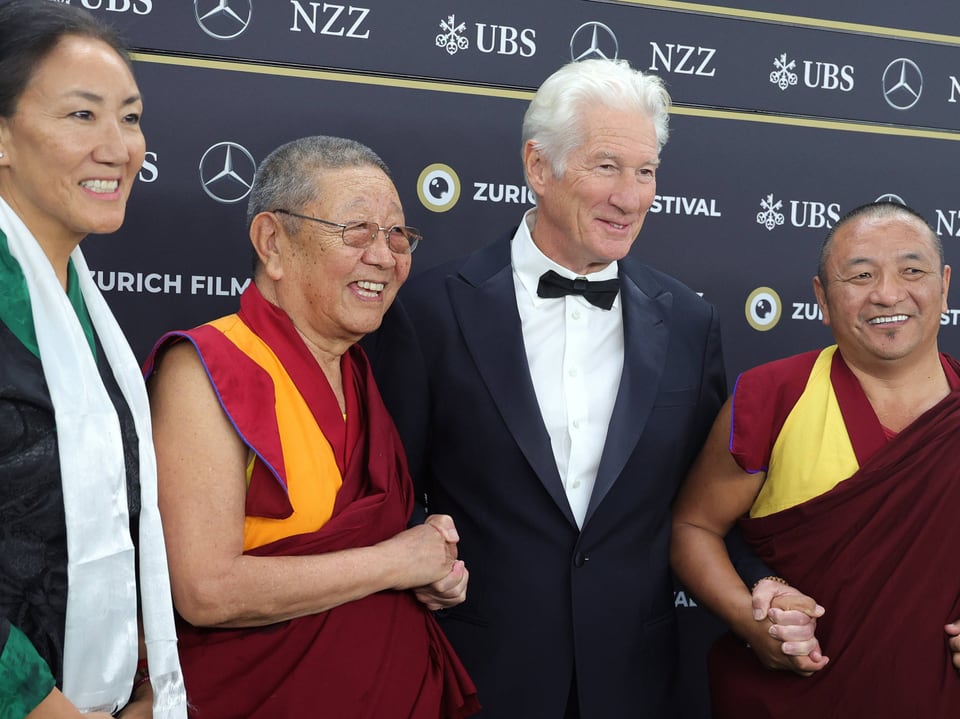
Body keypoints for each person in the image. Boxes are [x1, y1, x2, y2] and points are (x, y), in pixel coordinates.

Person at [364, 58, 815, 719]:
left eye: (645, 171)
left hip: (637, 681)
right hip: (475, 676)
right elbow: (382, 485)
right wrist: (420, 553)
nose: (629, 196)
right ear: (538, 166)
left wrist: (762, 587)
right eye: (607, 165)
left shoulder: (689, 323)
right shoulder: (429, 310)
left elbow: (706, 505)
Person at [145, 136, 480, 719]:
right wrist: (396, 563)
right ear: (273, 242)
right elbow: (206, 591)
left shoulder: (360, 374)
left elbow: (359, 537)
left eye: (398, 235)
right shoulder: (210, 367)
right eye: (357, 231)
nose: (385, 256)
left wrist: (434, 573)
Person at [671, 201, 960, 717]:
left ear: (944, 285)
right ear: (822, 299)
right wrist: (747, 618)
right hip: (791, 696)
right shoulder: (773, 397)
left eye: (911, 271)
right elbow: (693, 526)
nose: (888, 293)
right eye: (861, 275)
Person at [0, 1, 186, 717]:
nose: (119, 147)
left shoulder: (85, 308)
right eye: (82, 116)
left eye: (131, 117)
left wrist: (142, 685)